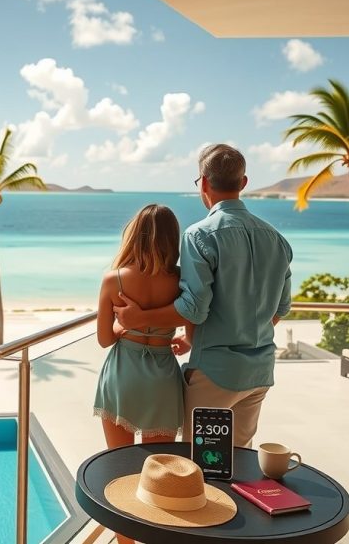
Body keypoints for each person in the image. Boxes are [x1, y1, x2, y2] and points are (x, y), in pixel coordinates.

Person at [114, 144, 292, 448]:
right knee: (238, 462)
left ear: (204, 183)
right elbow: (280, 309)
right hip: (259, 373)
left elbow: (193, 308)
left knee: (198, 463)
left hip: (215, 375)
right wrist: (202, 338)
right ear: (243, 183)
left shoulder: (199, 235)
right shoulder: (277, 239)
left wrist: (139, 318)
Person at [94, 204, 185, 451]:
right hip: (163, 377)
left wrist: (123, 328)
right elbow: (192, 316)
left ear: (134, 235)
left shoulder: (114, 279)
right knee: (158, 466)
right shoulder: (182, 279)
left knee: (119, 461)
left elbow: (104, 339)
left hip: (123, 374)